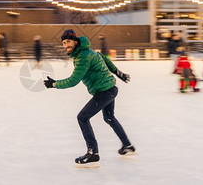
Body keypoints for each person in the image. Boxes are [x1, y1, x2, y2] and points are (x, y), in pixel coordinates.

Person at [44, 29, 135, 168]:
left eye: (68, 41)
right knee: (109, 117)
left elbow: (73, 81)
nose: (66, 45)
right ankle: (127, 145)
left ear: (75, 41)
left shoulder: (83, 56)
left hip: (104, 91)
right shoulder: (88, 51)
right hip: (109, 89)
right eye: (63, 42)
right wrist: (118, 73)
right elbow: (104, 58)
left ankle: (93, 153)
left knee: (82, 117)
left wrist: (55, 84)